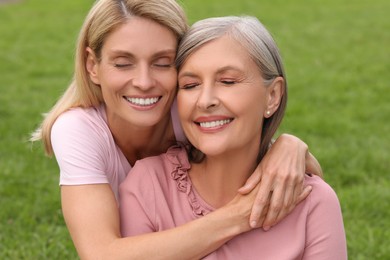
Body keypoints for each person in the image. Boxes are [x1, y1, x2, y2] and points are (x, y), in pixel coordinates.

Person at [31, 0, 323, 259]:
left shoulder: (188, 111)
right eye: (123, 63)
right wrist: (239, 215)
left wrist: (289, 145)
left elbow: (307, 182)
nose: (144, 82)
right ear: (92, 65)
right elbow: (101, 254)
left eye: (162, 63)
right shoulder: (77, 130)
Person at [119, 16, 347, 259]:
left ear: (272, 96)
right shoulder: (148, 187)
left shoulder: (313, 203)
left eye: (227, 81)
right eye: (190, 85)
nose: (205, 100)